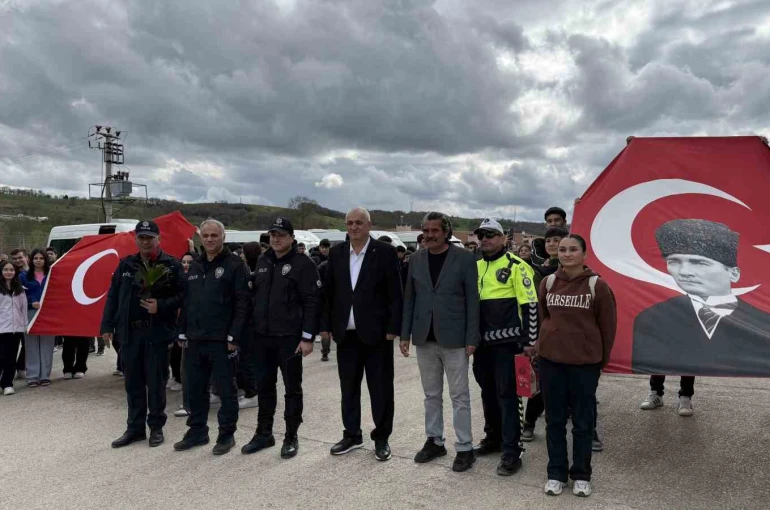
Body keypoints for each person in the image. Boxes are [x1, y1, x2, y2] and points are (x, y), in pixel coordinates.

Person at [632, 219, 770, 409]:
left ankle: (685, 397)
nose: (684, 272)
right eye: (674, 261)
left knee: (690, 357)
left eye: (699, 263)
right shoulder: (651, 316)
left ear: (733, 273)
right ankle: (656, 392)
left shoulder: (762, 323)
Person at [536, 234, 616, 497]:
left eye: (573, 249)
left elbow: (607, 328)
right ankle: (556, 472)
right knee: (554, 420)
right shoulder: (548, 282)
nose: (567, 254)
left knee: (583, 422)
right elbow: (544, 317)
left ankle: (581, 474)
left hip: (584, 365)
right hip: (551, 363)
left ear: (584, 254)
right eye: (562, 249)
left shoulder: (597, 285)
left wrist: (598, 361)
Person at [321, 207, 403, 462]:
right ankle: (352, 434)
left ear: (369, 225)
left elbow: (395, 295)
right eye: (349, 223)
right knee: (349, 388)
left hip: (377, 336)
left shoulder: (386, 253)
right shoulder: (336, 254)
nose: (354, 227)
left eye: (359, 222)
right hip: (346, 336)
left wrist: (393, 329)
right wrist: (326, 327)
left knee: (380, 389)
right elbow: (328, 296)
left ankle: (381, 438)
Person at [400, 212, 479, 472]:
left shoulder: (465, 259)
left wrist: (471, 337)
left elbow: (472, 300)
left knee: (460, 396)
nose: (430, 234)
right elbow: (409, 298)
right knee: (431, 395)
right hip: (424, 338)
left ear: (446, 231)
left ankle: (465, 447)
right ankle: (434, 441)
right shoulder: (416, 259)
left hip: (455, 339)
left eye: (435, 230)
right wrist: (405, 334)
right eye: (426, 230)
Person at [101, 220, 186, 449]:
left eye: (150, 237)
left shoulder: (172, 266)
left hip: (156, 333)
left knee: (156, 383)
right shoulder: (126, 265)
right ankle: (135, 428)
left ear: (159, 239)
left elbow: (183, 296)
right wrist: (107, 325)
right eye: (141, 237)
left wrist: (161, 305)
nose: (145, 241)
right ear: (136, 239)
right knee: (133, 383)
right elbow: (113, 295)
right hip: (129, 334)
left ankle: (156, 427)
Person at [241, 217, 321, 459]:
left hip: (289, 338)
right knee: (265, 387)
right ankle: (264, 433)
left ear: (291, 237)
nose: (276, 239)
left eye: (281, 235)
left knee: (292, 390)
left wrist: (307, 337)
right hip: (262, 337)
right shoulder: (264, 261)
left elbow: (312, 302)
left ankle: (290, 436)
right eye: (273, 235)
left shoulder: (303, 264)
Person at [175, 219, 250, 455]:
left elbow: (243, 304)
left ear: (223, 237)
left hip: (222, 341)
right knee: (195, 388)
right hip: (195, 340)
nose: (209, 239)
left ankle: (226, 434)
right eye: (205, 235)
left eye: (214, 236)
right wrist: (181, 330)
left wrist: (234, 337)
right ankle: (197, 431)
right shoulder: (195, 266)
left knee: (226, 390)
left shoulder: (235, 265)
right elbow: (187, 302)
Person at [471, 218, 539, 477]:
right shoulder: (474, 266)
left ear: (503, 238)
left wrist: (530, 343)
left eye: (490, 234)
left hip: (508, 344)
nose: (485, 239)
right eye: (481, 235)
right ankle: (493, 439)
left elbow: (530, 306)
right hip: (481, 345)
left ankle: (513, 450)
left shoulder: (517, 266)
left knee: (508, 397)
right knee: (487, 394)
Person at [19, 249, 55, 387]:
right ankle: (32, 376)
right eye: (35, 258)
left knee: (47, 344)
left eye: (41, 258)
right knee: (31, 345)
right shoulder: (23, 277)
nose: (38, 260)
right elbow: (19, 296)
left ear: (45, 260)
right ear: (31, 260)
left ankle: (45, 375)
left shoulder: (52, 274)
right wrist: (31, 302)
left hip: (48, 314)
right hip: (30, 313)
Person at [237, 242, 262, 410]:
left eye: (243, 253)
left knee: (247, 359)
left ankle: (252, 393)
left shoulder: (255, 274)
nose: (240, 255)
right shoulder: (247, 271)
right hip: (246, 322)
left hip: (251, 324)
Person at [174, 252, 197, 418]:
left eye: (190, 262)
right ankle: (189, 404)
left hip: (202, 331)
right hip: (185, 331)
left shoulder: (199, 280)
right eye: (183, 262)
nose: (186, 265)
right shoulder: (179, 281)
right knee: (186, 369)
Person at [0, 260, 27, 396]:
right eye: (6, 269)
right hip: (1, 329)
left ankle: (7, 384)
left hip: (15, 329)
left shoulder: (19, 289)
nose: (9, 272)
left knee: (10, 358)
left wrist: (25, 325)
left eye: (11, 270)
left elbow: (23, 309)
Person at [313, 239, 332, 361]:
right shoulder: (322, 266)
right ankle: (325, 352)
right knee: (325, 332)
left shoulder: (323, 266)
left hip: (333, 302)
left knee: (326, 331)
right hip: (325, 302)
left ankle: (326, 351)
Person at [10, 248, 28, 379]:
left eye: (20, 257)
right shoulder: (10, 273)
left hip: (31, 312)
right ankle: (9, 371)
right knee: (12, 345)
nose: (17, 261)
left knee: (27, 343)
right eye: (15, 259)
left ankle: (21, 366)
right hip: (14, 315)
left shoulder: (34, 272)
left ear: (26, 257)